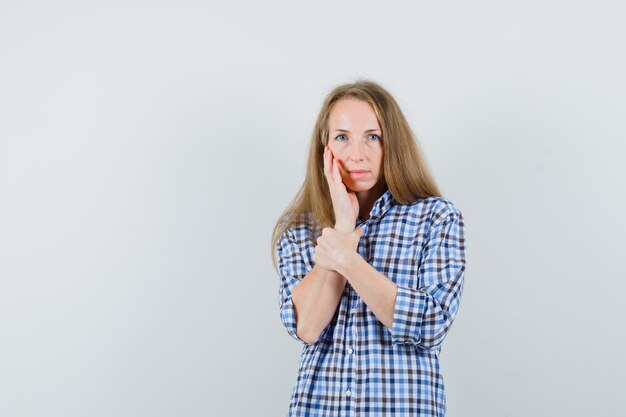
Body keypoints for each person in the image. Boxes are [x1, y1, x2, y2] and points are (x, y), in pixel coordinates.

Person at [271, 79, 466, 417]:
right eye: (342, 137)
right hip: (321, 407)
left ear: (393, 145)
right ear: (325, 148)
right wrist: (343, 226)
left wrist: (346, 259)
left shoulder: (436, 218)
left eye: (372, 137)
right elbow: (307, 327)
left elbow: (431, 323)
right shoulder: (300, 230)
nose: (357, 154)